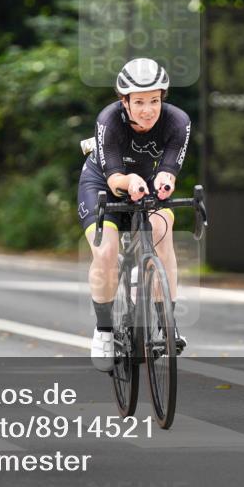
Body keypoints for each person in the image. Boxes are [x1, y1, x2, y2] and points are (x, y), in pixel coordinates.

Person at [78, 57, 191, 372]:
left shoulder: (178, 121)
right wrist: (130, 181)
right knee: (106, 252)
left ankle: (167, 322)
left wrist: (166, 180)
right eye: (139, 102)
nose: (147, 109)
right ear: (123, 101)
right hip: (103, 183)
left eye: (154, 100)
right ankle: (103, 331)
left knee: (162, 230)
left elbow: (169, 168)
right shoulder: (109, 121)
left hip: (147, 184)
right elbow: (115, 178)